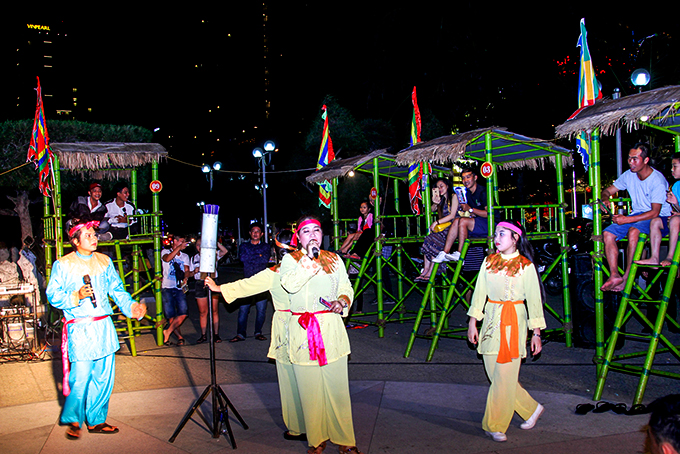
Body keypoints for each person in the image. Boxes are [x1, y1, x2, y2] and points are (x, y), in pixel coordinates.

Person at [46, 219, 146, 439]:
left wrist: (132, 307)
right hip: (80, 327)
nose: (94, 239)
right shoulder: (63, 264)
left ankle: (97, 420)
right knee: (80, 377)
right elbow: (53, 296)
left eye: (94, 234)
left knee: (103, 377)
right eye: (88, 235)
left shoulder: (105, 261)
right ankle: (74, 419)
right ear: (75, 240)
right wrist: (76, 296)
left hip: (103, 326)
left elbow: (117, 290)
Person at [205, 230, 308, 442]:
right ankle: (316, 424)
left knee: (290, 380)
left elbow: (246, 285)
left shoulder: (275, 273)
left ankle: (298, 427)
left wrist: (217, 287)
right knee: (309, 377)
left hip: (288, 329)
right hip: (310, 327)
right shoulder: (309, 267)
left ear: (276, 250)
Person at [279, 215, 364, 454]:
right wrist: (309, 259)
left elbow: (346, 286)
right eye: (306, 231)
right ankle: (316, 440)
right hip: (303, 331)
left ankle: (346, 440)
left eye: (316, 230)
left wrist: (342, 300)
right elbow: (291, 285)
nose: (313, 234)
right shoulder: (290, 260)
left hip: (330, 329)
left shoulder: (335, 259)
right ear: (299, 237)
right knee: (310, 391)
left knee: (338, 390)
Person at [467, 220, 546, 443]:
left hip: (515, 324)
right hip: (492, 321)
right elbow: (479, 292)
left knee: (503, 378)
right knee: (496, 375)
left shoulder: (526, 266)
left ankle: (495, 425)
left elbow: (534, 301)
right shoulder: (488, 262)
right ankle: (531, 409)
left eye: (502, 234)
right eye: (495, 234)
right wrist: (473, 322)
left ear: (515, 238)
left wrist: (536, 333)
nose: (497, 238)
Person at [601, 143, 671, 292]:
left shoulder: (657, 180)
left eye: (634, 159)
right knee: (607, 233)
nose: (630, 162)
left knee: (633, 231)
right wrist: (605, 197)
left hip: (659, 218)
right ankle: (614, 274)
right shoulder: (629, 174)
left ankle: (627, 278)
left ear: (645, 160)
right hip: (638, 214)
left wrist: (626, 219)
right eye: (629, 159)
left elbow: (655, 212)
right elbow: (608, 190)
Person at [433, 168, 488, 263]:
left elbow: (489, 214)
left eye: (468, 177)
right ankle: (444, 252)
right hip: (474, 224)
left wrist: (470, 210)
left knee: (462, 220)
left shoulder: (483, 192)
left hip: (489, 224)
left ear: (475, 177)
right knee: (457, 220)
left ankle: (459, 253)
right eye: (463, 178)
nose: (465, 180)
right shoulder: (468, 194)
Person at [636, 152, 680, 267]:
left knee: (675, 220)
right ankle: (654, 257)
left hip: (677, 221)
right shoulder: (675, 186)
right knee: (655, 221)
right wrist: (674, 204)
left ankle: (670, 256)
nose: (672, 169)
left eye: (675, 166)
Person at [230, 223, 270, 343]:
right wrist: (258, 255)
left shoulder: (266, 246)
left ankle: (258, 332)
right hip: (247, 282)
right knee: (243, 310)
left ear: (262, 234)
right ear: (250, 233)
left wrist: (254, 256)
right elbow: (242, 258)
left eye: (258, 231)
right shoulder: (244, 246)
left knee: (261, 310)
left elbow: (264, 259)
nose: (255, 233)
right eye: (253, 231)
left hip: (262, 283)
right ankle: (240, 333)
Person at [416, 177, 459, 281]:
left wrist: (436, 222)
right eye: (437, 187)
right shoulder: (441, 200)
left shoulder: (454, 197)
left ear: (447, 186)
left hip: (454, 227)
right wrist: (435, 202)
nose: (440, 189)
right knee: (428, 239)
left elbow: (453, 215)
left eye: (441, 186)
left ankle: (431, 271)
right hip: (443, 228)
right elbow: (427, 211)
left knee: (435, 240)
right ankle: (426, 270)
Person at [191, 237, 228, 344]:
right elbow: (190, 273)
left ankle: (216, 334)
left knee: (214, 310)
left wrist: (215, 242)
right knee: (203, 312)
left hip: (212, 281)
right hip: (200, 283)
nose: (199, 247)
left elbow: (224, 251)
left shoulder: (213, 254)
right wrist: (194, 271)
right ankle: (203, 334)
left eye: (201, 244)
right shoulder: (194, 258)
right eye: (197, 245)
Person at [161, 234, 190, 345]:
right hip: (167, 286)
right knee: (171, 315)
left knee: (183, 312)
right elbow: (167, 259)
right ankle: (179, 337)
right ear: (175, 241)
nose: (184, 244)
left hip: (179, 286)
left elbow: (186, 269)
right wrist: (177, 248)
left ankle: (167, 331)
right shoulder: (165, 251)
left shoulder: (185, 256)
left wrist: (186, 277)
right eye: (182, 241)